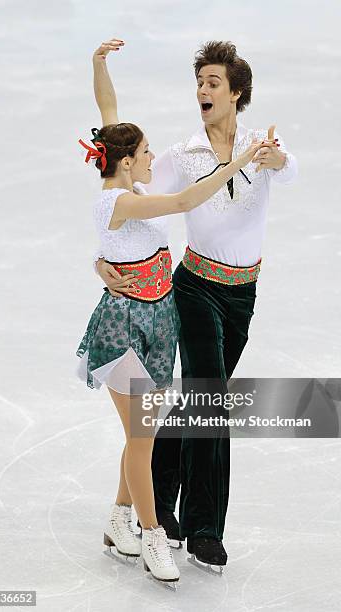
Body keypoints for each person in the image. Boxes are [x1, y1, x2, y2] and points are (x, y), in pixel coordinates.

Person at [76, 39, 276, 583]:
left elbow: (108, 117)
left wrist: (98, 66)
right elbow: (182, 202)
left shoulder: (127, 176)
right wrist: (234, 162)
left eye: (215, 82)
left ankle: (125, 516)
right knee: (159, 425)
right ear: (127, 160)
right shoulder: (137, 190)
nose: (151, 158)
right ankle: (161, 531)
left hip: (163, 316)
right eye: (143, 153)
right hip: (133, 323)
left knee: (154, 427)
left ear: (236, 92)